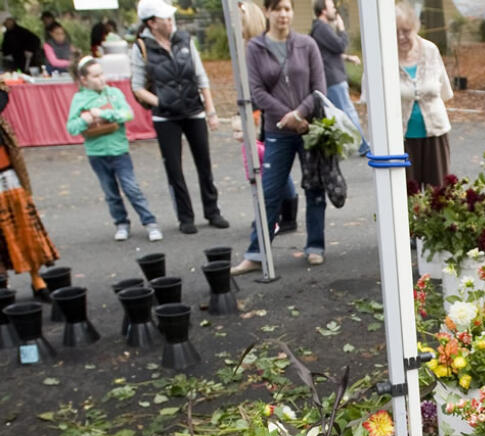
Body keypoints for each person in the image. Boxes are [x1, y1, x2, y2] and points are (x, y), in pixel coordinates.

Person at [232, 0, 326, 275]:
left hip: (309, 127)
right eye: (278, 9)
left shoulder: (307, 44)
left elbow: (319, 88)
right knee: (270, 192)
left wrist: (300, 114)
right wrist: (287, 116)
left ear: (292, 12)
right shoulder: (255, 48)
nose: (283, 14)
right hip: (277, 131)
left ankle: (316, 246)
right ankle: (256, 253)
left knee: (314, 188)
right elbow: (257, 91)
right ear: (268, 12)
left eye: (287, 8)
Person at [131, 0, 229, 236]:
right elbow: (137, 87)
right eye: (164, 18)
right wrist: (162, 102)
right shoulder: (141, 47)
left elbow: (200, 76)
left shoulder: (184, 39)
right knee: (174, 169)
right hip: (166, 117)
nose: (170, 20)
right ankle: (185, 217)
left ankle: (212, 210)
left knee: (204, 163)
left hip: (194, 111)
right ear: (152, 23)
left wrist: (211, 110)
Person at [66, 57, 163, 243]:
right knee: (110, 192)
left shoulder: (114, 94)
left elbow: (127, 114)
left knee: (131, 188)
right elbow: (71, 127)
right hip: (96, 153)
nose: (101, 79)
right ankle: (121, 223)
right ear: (84, 80)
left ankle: (150, 222)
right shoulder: (79, 99)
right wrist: (84, 120)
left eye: (102, 74)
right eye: (95, 76)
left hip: (119, 151)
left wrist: (103, 113)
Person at [0, 87, 58, 302]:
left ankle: (37, 280)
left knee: (25, 227)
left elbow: (2, 97)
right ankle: (2, 285)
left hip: (6, 171)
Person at [396, 3, 452, 191]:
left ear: (415, 28)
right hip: (400, 139)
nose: (401, 37)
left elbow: (444, 91)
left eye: (406, 30)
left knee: (438, 194)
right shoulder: (384, 56)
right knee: (406, 196)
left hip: (434, 134)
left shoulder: (430, 50)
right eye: (395, 32)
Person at [311, 0, 369, 156]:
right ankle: (363, 146)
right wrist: (342, 29)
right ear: (323, 10)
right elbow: (339, 45)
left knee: (336, 114)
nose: (335, 10)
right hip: (333, 78)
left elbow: (329, 52)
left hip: (331, 76)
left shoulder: (319, 29)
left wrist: (348, 58)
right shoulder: (321, 28)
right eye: (331, 7)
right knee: (348, 112)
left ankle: (336, 149)